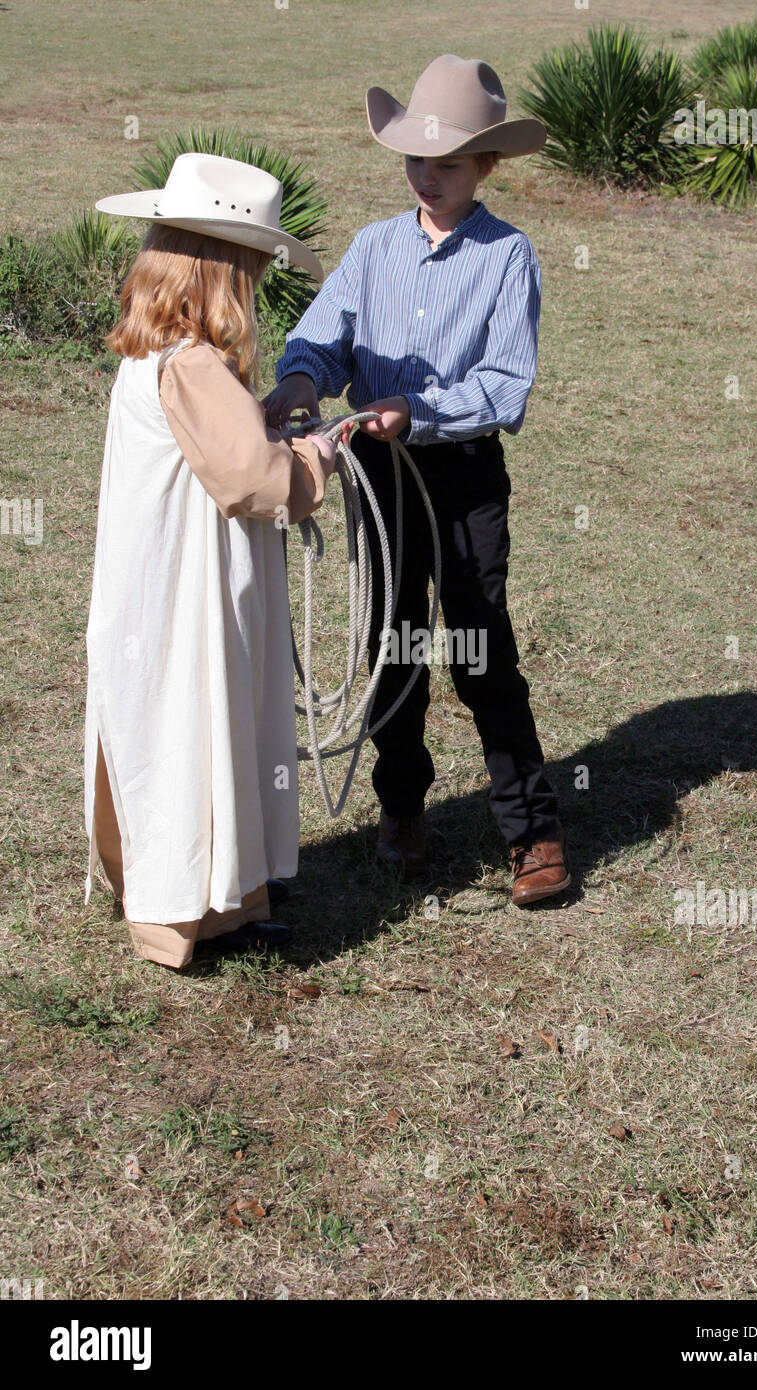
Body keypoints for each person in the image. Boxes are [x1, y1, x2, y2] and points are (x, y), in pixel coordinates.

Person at [265, 55, 570, 906]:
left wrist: (422, 412)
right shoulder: (372, 247)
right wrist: (299, 380)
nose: (427, 178)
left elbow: (506, 385)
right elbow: (324, 339)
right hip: (378, 476)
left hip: (463, 476)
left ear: (486, 167)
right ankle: (402, 809)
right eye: (416, 161)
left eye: (447, 164)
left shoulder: (510, 257)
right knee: (389, 647)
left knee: (481, 651)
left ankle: (533, 830)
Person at [84, 153, 336, 968]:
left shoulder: (153, 355)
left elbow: (216, 445)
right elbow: (251, 480)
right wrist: (315, 458)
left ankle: (219, 896)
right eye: (253, 272)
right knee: (196, 719)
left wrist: (258, 420)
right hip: (188, 597)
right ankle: (186, 905)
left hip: (156, 587)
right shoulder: (191, 364)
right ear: (226, 273)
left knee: (182, 721)